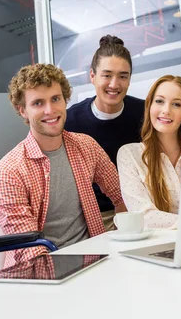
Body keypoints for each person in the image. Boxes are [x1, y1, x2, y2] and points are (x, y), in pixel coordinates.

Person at [0, 64, 127, 269]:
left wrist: (122, 239)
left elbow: (123, 194)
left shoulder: (86, 146)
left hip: (95, 260)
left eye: (55, 99)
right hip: (40, 273)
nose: (50, 110)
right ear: (23, 111)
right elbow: (30, 249)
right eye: (38, 103)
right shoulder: (9, 171)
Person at [117, 75, 181, 229]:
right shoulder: (130, 155)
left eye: (176, 104)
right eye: (159, 101)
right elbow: (143, 216)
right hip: (158, 245)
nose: (166, 110)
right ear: (149, 107)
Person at [65, 35, 145, 231]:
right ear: (92, 76)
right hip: (93, 215)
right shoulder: (71, 120)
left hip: (140, 208)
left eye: (123, 76)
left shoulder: (145, 113)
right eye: (107, 75)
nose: (114, 84)